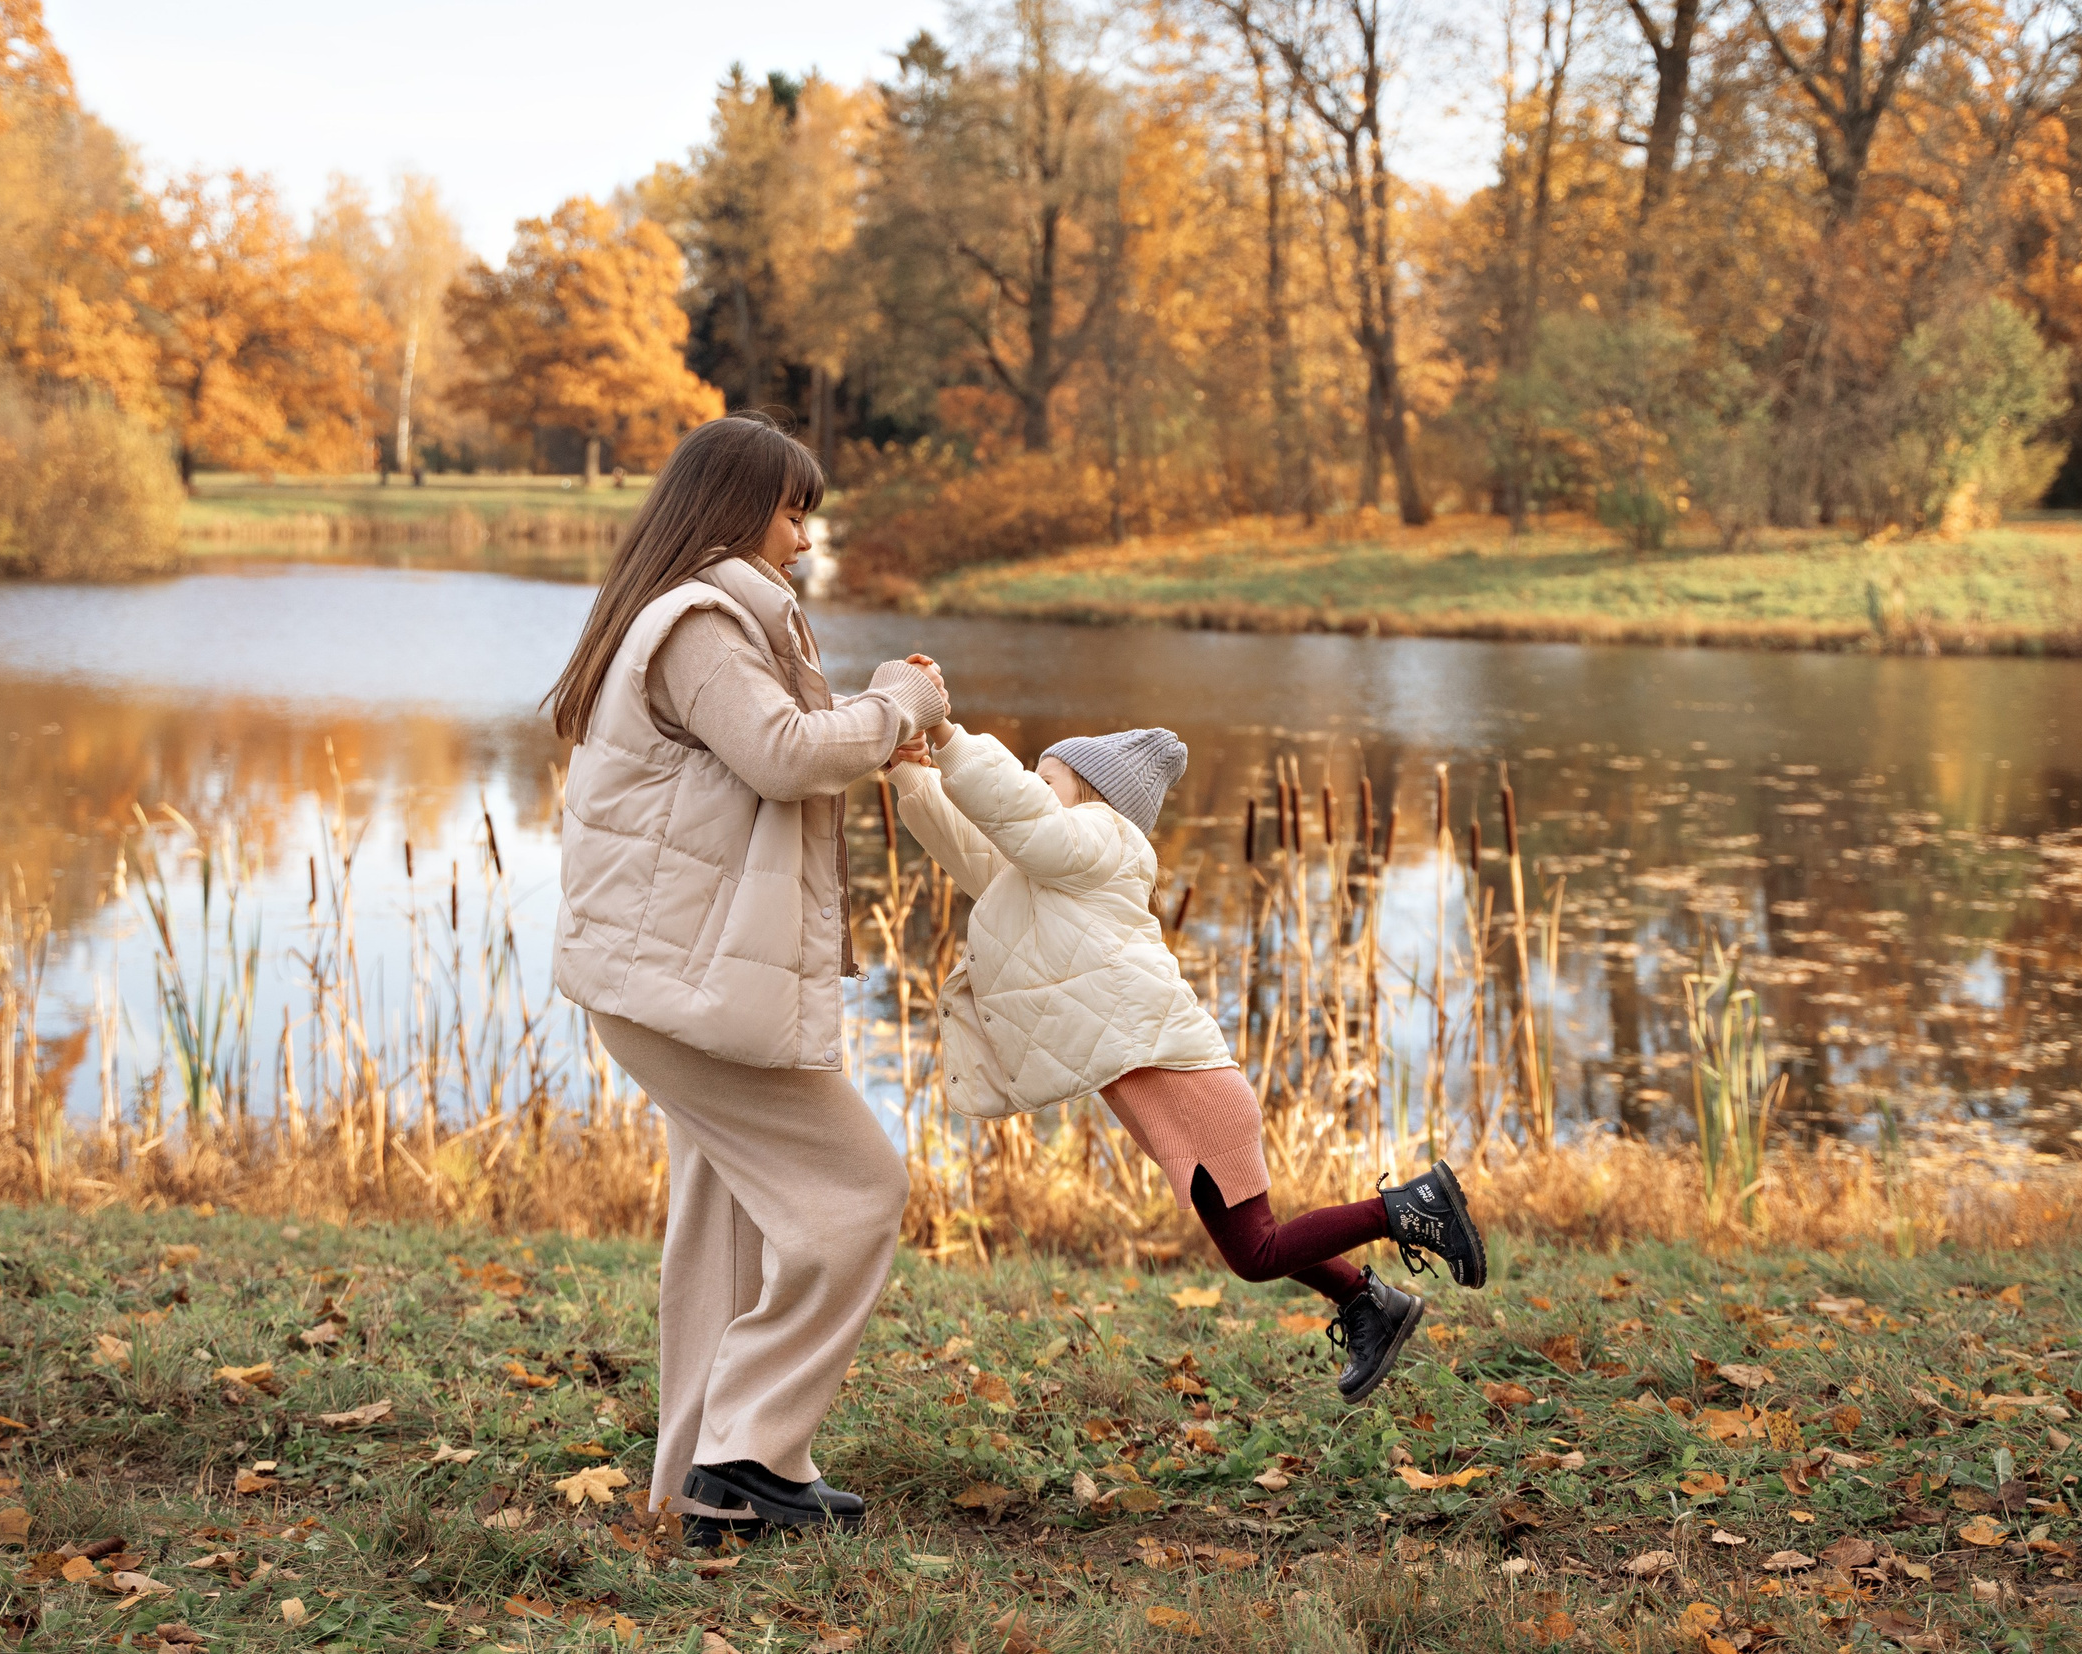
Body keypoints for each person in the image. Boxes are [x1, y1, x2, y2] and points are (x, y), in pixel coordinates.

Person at [544, 413, 947, 1541]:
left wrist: (869, 730)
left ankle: (695, 1484)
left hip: (666, 980)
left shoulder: (710, 622)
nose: (804, 535)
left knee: (721, 1227)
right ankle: (748, 1454)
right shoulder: (705, 623)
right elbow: (779, 755)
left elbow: (780, 749)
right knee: (857, 1192)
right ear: (733, 511)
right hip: (680, 988)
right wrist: (899, 702)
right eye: (790, 509)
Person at [885, 717, 1488, 1403]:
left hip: (1191, 1088)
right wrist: (911, 770)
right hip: (1178, 1090)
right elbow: (975, 848)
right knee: (1249, 1246)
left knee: (1257, 1252)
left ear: (1092, 796)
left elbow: (1019, 817)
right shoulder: (1053, 874)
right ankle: (1370, 1302)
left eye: (1045, 778)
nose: (1031, 785)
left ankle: (1414, 1208)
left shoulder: (1106, 843)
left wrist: (952, 737)